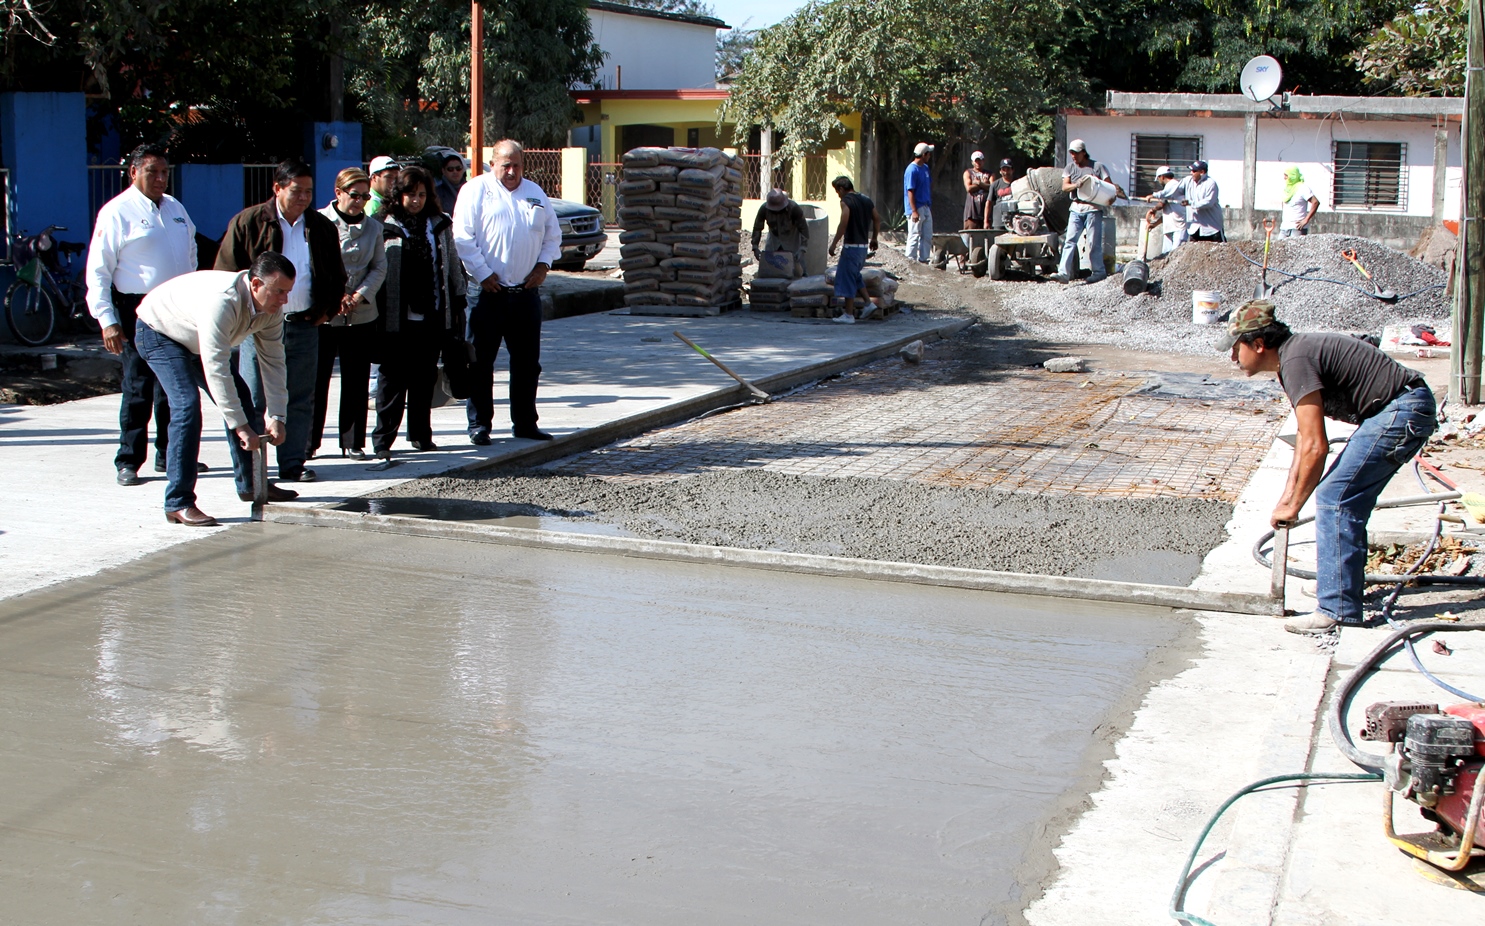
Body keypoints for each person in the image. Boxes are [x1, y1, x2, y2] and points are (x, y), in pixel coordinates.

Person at [1222, 299, 1436, 635]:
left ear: (1258, 344)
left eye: (1236, 348)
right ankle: (1336, 585)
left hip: (1401, 410)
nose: (1233, 357)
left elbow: (1316, 445)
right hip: (1403, 408)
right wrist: (1287, 498)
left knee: (1335, 497)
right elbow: (1303, 443)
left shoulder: (1296, 360)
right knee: (1347, 499)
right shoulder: (1292, 358)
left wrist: (1295, 504)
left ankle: (1336, 609)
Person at [133, 254, 301, 526]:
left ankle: (253, 485)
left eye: (288, 292)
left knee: (244, 401)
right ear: (256, 283)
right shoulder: (222, 302)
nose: (284, 300)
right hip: (160, 331)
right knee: (187, 404)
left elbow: (274, 363)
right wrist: (240, 426)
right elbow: (216, 368)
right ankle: (178, 502)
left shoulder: (271, 311)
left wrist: (278, 416)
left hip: (197, 338)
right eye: (279, 292)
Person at [216, 159, 348, 483]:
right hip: (257, 325)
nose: (303, 197)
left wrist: (325, 312)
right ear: (277, 189)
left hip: (305, 324)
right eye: (296, 191)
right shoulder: (248, 222)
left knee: (300, 397)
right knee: (255, 396)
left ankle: (292, 463)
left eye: (308, 192)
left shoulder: (320, 227)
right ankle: (254, 471)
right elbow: (225, 272)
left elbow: (335, 275)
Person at [85, 143, 201, 487]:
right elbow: (98, 270)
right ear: (134, 172)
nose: (161, 179)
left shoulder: (176, 208)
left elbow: (190, 252)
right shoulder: (116, 212)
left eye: (165, 172)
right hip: (135, 308)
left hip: (175, 307)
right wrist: (107, 319)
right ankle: (129, 459)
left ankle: (170, 453)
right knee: (138, 386)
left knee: (174, 384)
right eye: (153, 172)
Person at [453, 138, 561, 444]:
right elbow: (462, 237)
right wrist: (483, 274)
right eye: (506, 165)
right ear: (492, 164)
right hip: (488, 293)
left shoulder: (535, 193)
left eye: (517, 165)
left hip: (525, 294)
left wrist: (543, 266)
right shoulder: (476, 191)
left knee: (528, 364)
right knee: (480, 362)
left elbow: (553, 236)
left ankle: (525, 422)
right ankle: (479, 425)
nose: (512, 171)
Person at [372, 167, 466, 457]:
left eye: (422, 195)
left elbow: (452, 266)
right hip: (395, 318)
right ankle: (382, 440)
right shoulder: (382, 225)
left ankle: (421, 435)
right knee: (391, 380)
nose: (416, 200)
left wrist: (458, 300)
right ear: (398, 195)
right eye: (410, 194)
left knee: (424, 379)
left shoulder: (438, 224)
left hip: (433, 314)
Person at [312, 167, 386, 462]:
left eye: (365, 196)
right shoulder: (318, 223)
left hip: (361, 312)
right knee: (317, 380)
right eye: (354, 195)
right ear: (338, 193)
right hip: (326, 314)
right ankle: (309, 443)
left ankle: (353, 441)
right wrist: (336, 295)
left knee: (356, 379)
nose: (359, 201)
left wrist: (359, 295)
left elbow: (379, 266)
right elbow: (314, 265)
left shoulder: (374, 228)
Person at [1056, 139, 1124, 284]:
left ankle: (1099, 272)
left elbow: (1109, 185)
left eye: (1076, 153)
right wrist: (1076, 185)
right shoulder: (1070, 168)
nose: (1073, 157)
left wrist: (1110, 197)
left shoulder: (1098, 167)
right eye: (1071, 153)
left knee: (1093, 242)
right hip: (1076, 208)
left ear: (1083, 153)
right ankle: (1063, 273)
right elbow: (1064, 187)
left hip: (1093, 208)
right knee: (1070, 241)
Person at [827, 175, 880, 324]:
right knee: (855, 275)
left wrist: (834, 243)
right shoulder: (866, 200)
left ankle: (848, 314)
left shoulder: (846, 202)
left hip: (851, 247)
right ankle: (868, 303)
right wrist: (874, 238)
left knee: (848, 278)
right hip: (863, 248)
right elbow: (876, 218)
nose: (838, 195)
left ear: (842, 189)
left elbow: (843, 223)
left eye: (838, 192)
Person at [1152, 160, 1224, 242]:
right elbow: (1174, 190)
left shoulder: (1211, 184)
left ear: (1202, 172)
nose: (1191, 173)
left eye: (1194, 171)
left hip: (1212, 229)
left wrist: (1190, 203)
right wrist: (1156, 195)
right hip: (1194, 228)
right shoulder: (1188, 181)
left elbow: (1208, 202)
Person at [750, 189, 809, 274]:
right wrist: (755, 247)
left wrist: (802, 249)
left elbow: (803, 229)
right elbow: (757, 228)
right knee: (770, 270)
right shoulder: (764, 209)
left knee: (798, 271)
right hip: (774, 240)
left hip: (792, 240)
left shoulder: (794, 208)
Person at [1142, 165, 1188, 256]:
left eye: (1158, 179)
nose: (1159, 182)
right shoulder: (1169, 189)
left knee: (1176, 255)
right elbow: (1165, 208)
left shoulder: (1174, 185)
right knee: (1165, 256)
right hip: (1170, 228)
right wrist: (1154, 222)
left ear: (1162, 177)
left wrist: (1153, 196)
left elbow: (1162, 199)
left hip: (1179, 228)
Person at [903, 142, 933, 263]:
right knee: (914, 234)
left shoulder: (925, 168)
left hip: (925, 205)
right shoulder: (911, 170)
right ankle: (910, 260)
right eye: (928, 154)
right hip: (916, 207)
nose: (930, 156)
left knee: (927, 235)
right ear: (924, 154)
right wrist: (914, 211)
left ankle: (924, 259)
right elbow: (910, 191)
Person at [1280, 167, 1320, 237]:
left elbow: (1315, 202)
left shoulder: (1303, 188)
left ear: (1293, 176)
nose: (1284, 177)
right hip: (1284, 227)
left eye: (1286, 175)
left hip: (1297, 228)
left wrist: (1306, 220)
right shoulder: (1287, 189)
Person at [962, 151, 993, 231]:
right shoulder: (968, 172)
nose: (978, 162)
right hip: (972, 212)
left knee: (987, 238)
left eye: (980, 160)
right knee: (971, 237)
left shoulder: (990, 174)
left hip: (986, 212)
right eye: (976, 161)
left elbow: (992, 188)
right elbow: (969, 188)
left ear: (984, 161)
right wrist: (984, 185)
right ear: (972, 162)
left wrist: (979, 183)